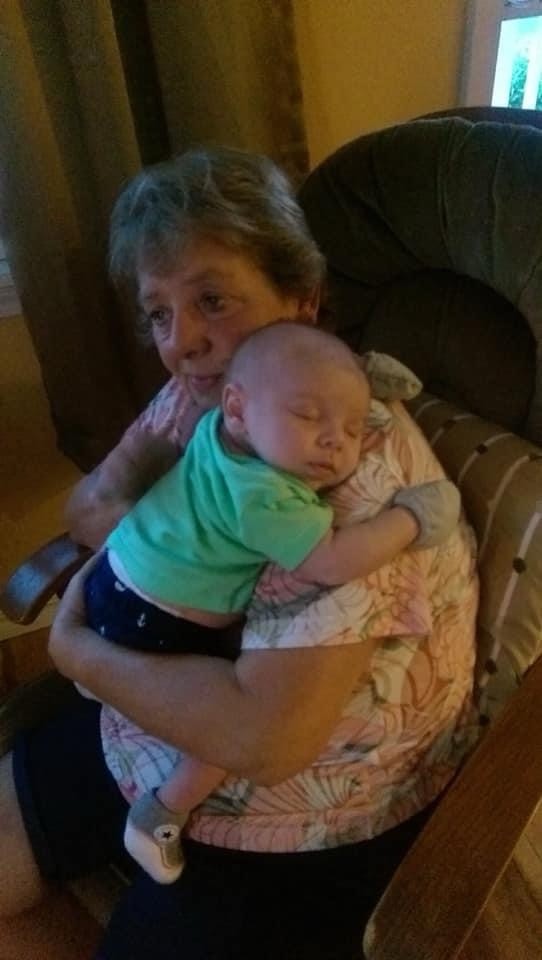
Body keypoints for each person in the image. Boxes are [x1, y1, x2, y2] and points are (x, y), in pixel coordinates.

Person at [0, 146, 477, 960]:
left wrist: (75, 649)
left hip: (309, 810)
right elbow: (89, 510)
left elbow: (266, 740)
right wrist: (157, 509)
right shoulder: (221, 395)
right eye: (158, 313)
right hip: (163, 709)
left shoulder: (349, 478)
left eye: (211, 300)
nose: (180, 341)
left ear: (302, 300)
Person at [81, 320, 460, 884]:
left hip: (113, 578)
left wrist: (347, 388)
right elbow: (331, 561)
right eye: (309, 415)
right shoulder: (266, 495)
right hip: (156, 621)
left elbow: (286, 389)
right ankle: (161, 813)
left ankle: (99, 676)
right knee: (230, 729)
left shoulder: (216, 431)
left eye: (353, 426)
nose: (335, 441)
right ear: (237, 409)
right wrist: (411, 518)